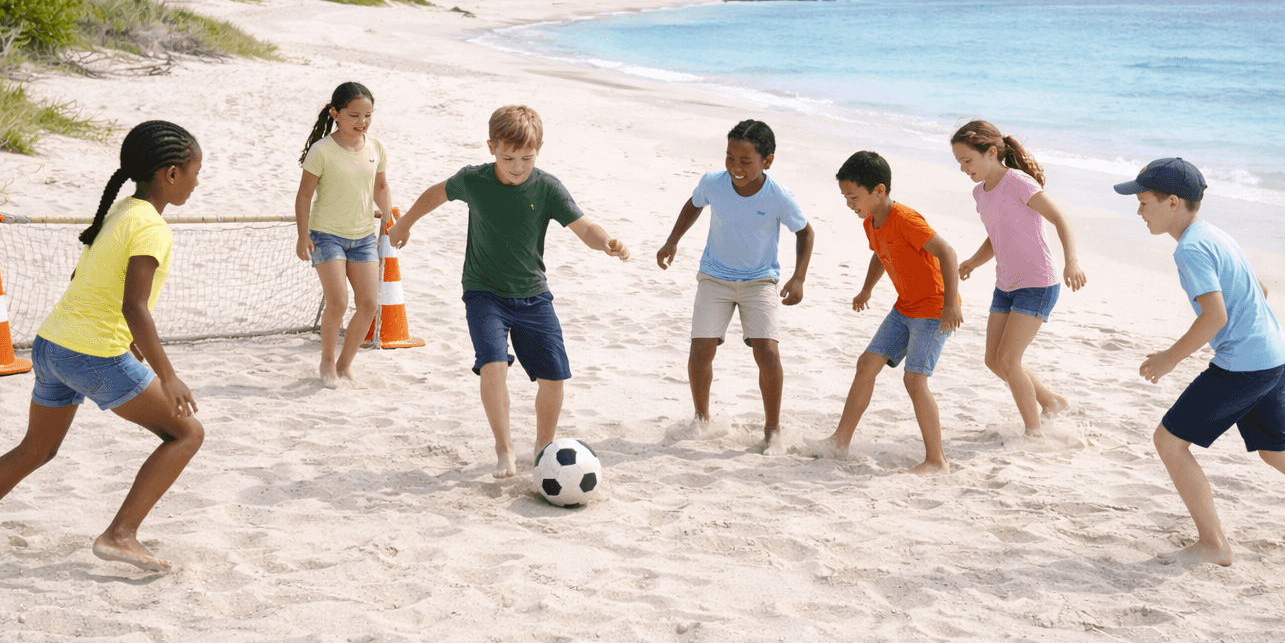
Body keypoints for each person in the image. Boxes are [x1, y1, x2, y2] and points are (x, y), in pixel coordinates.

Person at [0, 121, 205, 572]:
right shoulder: (151, 227)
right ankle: (120, 535)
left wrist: (128, 340)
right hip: (93, 354)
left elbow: (87, 281)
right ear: (171, 173)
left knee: (35, 449)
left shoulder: (120, 211)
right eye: (194, 172)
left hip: (51, 346)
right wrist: (167, 375)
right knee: (187, 434)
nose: (196, 182)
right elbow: (134, 305)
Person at [1117, 157, 1285, 565]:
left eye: (1144, 203)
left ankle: (1213, 544)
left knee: (1169, 442)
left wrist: (1169, 358)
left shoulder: (1190, 249)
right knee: (1278, 454)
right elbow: (1260, 289)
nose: (1139, 212)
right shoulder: (1214, 234)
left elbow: (1215, 316)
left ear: (1172, 203)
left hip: (1245, 367)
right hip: (1276, 356)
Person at [390, 105, 628, 478]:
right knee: (493, 364)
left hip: (533, 294)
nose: (518, 167)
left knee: (554, 376)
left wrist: (607, 243)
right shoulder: (473, 180)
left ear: (539, 149)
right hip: (483, 292)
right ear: (492, 148)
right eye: (508, 158)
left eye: (527, 158)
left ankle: (543, 447)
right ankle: (504, 448)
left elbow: (584, 227)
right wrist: (405, 223)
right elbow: (436, 194)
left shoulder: (547, 187)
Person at [656, 119, 814, 449]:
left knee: (767, 353)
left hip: (760, 280)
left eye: (745, 161)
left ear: (767, 160)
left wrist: (798, 277)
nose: (735, 168)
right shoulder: (713, 183)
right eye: (730, 158)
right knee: (701, 350)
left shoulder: (779, 196)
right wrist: (672, 241)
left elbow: (805, 232)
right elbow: (693, 205)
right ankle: (701, 418)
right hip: (714, 277)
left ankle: (772, 430)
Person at [817, 151, 961, 473]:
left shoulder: (906, 219)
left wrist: (951, 304)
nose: (849, 204)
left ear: (879, 190)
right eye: (845, 197)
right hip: (905, 306)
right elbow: (880, 254)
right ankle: (840, 441)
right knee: (866, 364)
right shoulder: (871, 222)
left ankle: (937, 461)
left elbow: (948, 253)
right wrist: (866, 289)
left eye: (853, 197)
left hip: (934, 308)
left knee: (914, 381)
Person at [949, 120, 1084, 434]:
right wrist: (973, 262)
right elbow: (997, 234)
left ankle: (1033, 432)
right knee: (994, 360)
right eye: (959, 163)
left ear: (991, 152)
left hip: (1037, 282)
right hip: (1005, 283)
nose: (963, 169)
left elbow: (1060, 218)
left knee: (1009, 359)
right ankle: (1051, 401)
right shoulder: (979, 193)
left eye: (967, 160)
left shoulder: (1018, 182)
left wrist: (1072, 263)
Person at [295, 82, 393, 387]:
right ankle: (327, 361)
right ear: (335, 113)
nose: (362, 122)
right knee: (338, 301)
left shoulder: (376, 148)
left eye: (368, 115)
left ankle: (344, 364)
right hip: (326, 235)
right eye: (354, 115)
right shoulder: (321, 150)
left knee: (369, 305)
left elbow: (381, 187)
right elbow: (304, 195)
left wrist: (389, 219)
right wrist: (302, 235)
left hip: (363, 237)